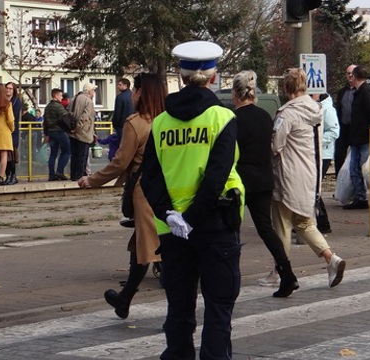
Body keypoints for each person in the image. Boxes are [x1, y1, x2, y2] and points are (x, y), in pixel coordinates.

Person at [140, 40, 244, 360]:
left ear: (181, 75)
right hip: (215, 224)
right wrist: (192, 217)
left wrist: (171, 214)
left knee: (179, 306)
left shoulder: (160, 122)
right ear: (213, 77)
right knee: (218, 305)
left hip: (172, 230)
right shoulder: (222, 118)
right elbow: (216, 177)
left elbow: (149, 177)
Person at [78, 73, 166, 319]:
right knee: (145, 244)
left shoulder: (135, 123)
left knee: (150, 246)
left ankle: (169, 308)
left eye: (135, 91)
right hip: (172, 187)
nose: (132, 96)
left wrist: (92, 180)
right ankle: (124, 299)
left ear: (140, 93)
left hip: (145, 190)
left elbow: (120, 162)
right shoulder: (169, 120)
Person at [271, 67, 347, 290]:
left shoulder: (287, 114)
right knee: (304, 223)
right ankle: (332, 258)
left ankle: (282, 273)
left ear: (286, 88)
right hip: (310, 175)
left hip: (287, 176)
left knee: (282, 226)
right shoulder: (316, 110)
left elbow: (275, 146)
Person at [232, 70, 299, 298]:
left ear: (236, 94)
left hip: (240, 181)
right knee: (266, 229)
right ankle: (287, 273)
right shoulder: (265, 116)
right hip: (263, 179)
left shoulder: (234, 119)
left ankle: (228, 275)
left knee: (231, 229)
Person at [343, 65, 370, 210]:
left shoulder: (366, 92)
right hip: (358, 138)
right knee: (356, 169)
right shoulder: (360, 92)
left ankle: (367, 197)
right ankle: (360, 197)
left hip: (364, 138)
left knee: (364, 169)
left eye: (351, 75)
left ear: (355, 76)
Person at [313, 92, 339, 233]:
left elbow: (334, 131)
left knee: (314, 188)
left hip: (323, 154)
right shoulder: (315, 106)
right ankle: (316, 222)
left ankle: (322, 223)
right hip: (316, 152)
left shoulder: (327, 108)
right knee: (313, 188)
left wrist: (317, 140)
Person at [68, 83, 96, 181]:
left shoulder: (73, 99)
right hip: (83, 132)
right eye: (93, 90)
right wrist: (78, 127)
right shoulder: (88, 101)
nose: (94, 93)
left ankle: (73, 175)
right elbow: (85, 117)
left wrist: (72, 128)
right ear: (89, 91)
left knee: (74, 155)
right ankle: (80, 176)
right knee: (82, 156)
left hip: (72, 132)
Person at [42, 88, 71, 181]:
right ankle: (60, 171)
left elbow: (45, 122)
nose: (62, 98)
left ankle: (51, 175)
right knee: (67, 151)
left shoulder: (47, 107)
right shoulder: (59, 107)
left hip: (51, 132)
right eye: (61, 96)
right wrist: (70, 129)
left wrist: (46, 134)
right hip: (60, 131)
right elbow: (65, 118)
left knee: (53, 154)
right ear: (56, 95)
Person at [333, 64, 356, 176]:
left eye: (352, 73)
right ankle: (339, 179)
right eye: (348, 73)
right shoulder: (342, 92)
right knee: (339, 156)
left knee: (356, 156)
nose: (350, 75)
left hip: (356, 129)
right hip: (343, 128)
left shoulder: (362, 91)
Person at [4, 82, 22, 185]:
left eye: (10, 89)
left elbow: (14, 116)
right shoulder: (3, 100)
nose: (8, 90)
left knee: (12, 155)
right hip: (3, 131)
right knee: (5, 155)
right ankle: (7, 175)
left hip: (12, 130)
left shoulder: (16, 101)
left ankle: (13, 175)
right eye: (7, 88)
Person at [111, 78, 133, 151]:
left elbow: (117, 113)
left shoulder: (120, 97)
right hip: (133, 125)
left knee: (122, 147)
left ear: (125, 86)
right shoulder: (133, 96)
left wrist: (115, 124)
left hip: (121, 126)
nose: (118, 86)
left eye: (120, 85)